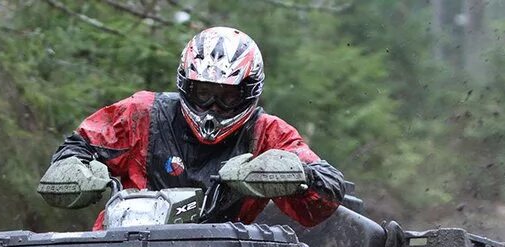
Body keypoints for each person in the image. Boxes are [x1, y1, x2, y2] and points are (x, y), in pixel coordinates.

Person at [43, 26, 347, 230]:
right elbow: (80, 144)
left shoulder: (267, 133)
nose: (214, 107)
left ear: (248, 92)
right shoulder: (142, 113)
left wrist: (296, 176)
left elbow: (330, 186)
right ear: (186, 85)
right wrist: (75, 168)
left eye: (227, 96)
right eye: (204, 93)